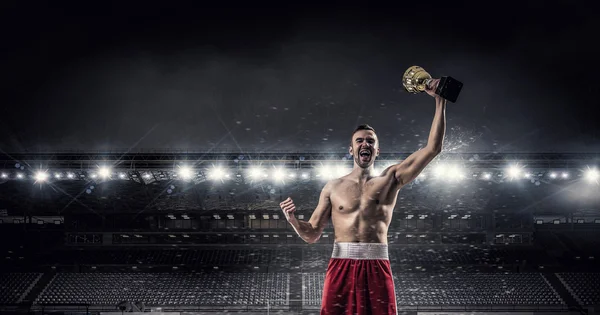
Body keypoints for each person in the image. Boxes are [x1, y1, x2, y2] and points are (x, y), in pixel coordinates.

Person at [279, 79, 446, 315]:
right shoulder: (332, 187)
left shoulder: (391, 179)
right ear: (351, 150)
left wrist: (439, 100)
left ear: (378, 150)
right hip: (340, 267)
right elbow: (312, 234)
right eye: (359, 140)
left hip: (377, 265)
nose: (364, 143)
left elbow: (433, 148)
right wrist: (294, 221)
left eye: (370, 141)